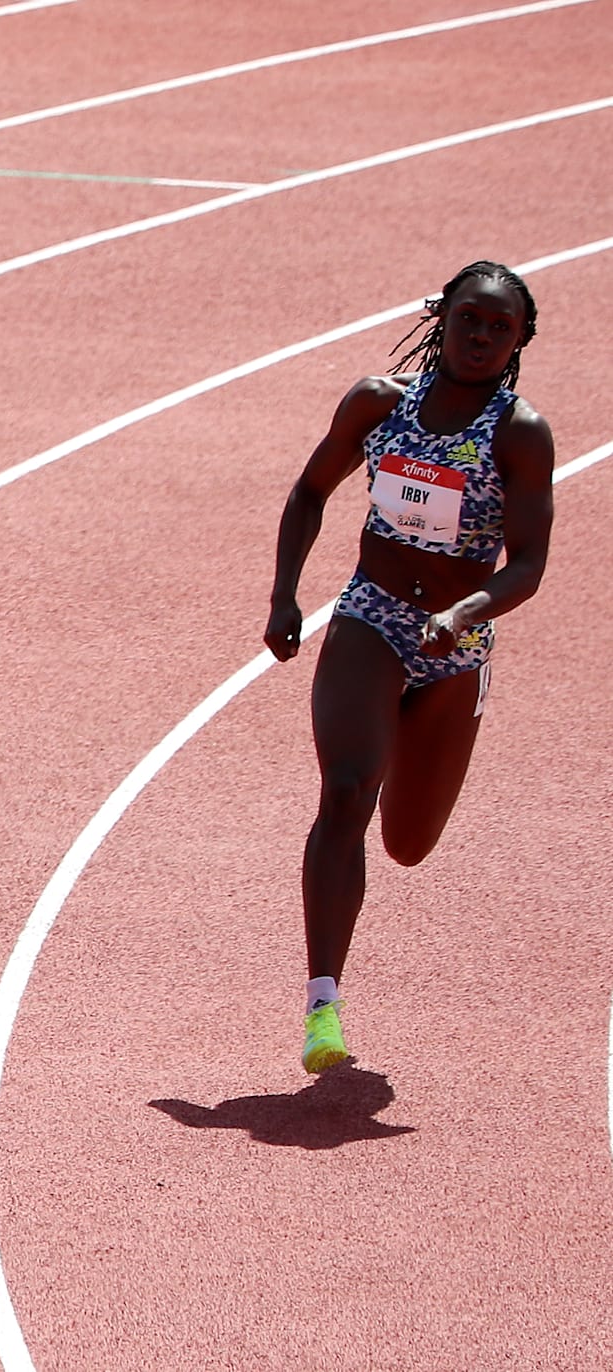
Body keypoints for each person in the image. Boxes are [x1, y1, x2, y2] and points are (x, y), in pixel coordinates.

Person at [265, 260, 553, 1073]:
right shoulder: (379, 403)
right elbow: (309, 492)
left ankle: (409, 744)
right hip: (373, 617)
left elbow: (528, 564)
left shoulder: (518, 432)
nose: (482, 336)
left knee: (408, 843)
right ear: (443, 316)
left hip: (457, 643)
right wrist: (285, 597)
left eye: (500, 327)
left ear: (519, 340)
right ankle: (324, 1005)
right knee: (347, 790)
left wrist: (466, 614)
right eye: (470, 318)